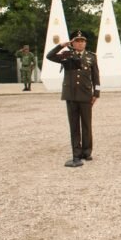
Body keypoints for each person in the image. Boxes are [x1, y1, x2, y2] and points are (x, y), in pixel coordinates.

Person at [46, 31, 101, 167]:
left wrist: (96, 93)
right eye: (77, 41)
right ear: (73, 43)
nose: (80, 43)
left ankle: (86, 152)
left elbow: (96, 76)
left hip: (85, 94)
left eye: (83, 41)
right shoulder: (67, 55)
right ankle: (76, 154)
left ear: (85, 43)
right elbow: (49, 56)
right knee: (74, 126)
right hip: (70, 95)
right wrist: (61, 45)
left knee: (86, 125)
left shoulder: (91, 57)